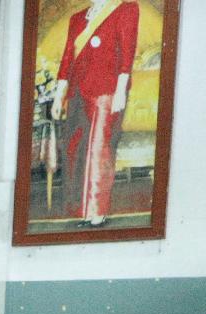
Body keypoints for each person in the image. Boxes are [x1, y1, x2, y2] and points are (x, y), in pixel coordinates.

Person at [51, 0, 139, 226]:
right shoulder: (77, 18)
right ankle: (80, 211)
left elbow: (127, 52)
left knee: (99, 149)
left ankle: (96, 212)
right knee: (75, 150)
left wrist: (121, 91)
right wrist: (59, 95)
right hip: (77, 93)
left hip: (107, 91)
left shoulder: (125, 9)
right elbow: (67, 58)